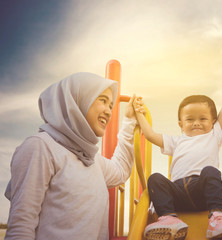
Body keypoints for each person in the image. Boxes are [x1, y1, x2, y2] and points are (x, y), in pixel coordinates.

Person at [4, 72, 137, 240]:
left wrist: (129, 122)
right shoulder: (40, 147)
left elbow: (121, 171)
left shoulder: (91, 159)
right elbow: (21, 227)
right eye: (102, 100)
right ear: (77, 100)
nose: (109, 111)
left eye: (111, 106)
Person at [132, 94, 222, 239]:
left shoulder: (214, 135)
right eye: (190, 119)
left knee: (210, 171)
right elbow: (150, 135)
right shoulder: (176, 141)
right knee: (155, 178)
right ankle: (169, 218)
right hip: (178, 193)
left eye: (203, 119)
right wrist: (139, 113)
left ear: (213, 121)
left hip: (202, 191)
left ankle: (218, 217)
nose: (196, 123)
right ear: (181, 124)